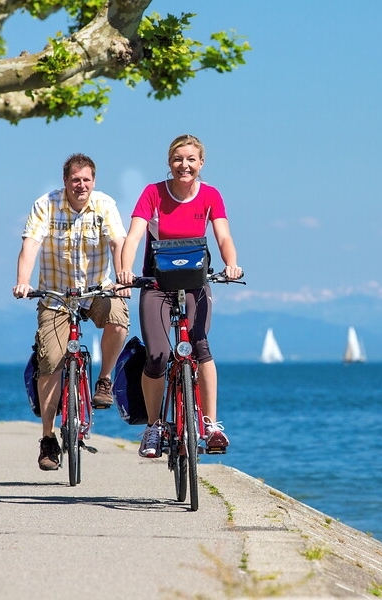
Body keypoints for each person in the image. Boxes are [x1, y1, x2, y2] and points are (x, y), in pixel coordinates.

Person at [117, 134, 242, 458]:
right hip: (157, 286)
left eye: (190, 159)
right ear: (169, 163)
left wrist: (231, 265)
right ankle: (155, 426)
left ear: (201, 163)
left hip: (195, 285)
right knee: (158, 354)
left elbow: (223, 235)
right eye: (177, 159)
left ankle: (211, 424)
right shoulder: (153, 194)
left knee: (200, 346)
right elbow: (133, 236)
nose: (183, 165)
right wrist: (124, 271)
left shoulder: (210, 195)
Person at [13, 153, 130, 471]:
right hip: (56, 297)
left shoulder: (104, 205)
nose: (81, 185)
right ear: (65, 181)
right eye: (75, 179)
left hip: (95, 291)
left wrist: (122, 277)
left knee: (119, 318)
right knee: (50, 360)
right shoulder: (46, 205)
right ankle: (48, 437)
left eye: (87, 179)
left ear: (94, 181)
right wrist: (23, 281)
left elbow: (118, 243)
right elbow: (30, 245)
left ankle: (104, 380)